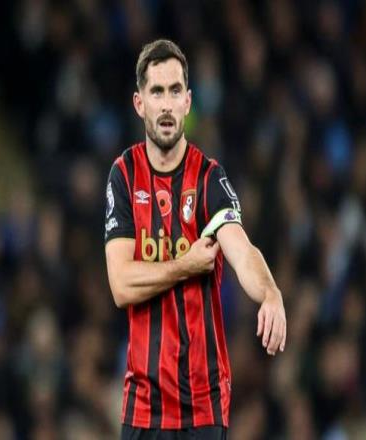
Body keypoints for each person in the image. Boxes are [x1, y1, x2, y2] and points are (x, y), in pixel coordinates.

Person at [104, 39, 286, 440]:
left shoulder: (209, 178)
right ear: (139, 103)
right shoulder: (124, 174)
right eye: (156, 92)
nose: (166, 105)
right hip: (144, 405)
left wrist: (270, 292)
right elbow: (120, 285)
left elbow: (242, 250)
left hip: (203, 405)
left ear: (188, 102)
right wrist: (185, 265)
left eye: (175, 91)